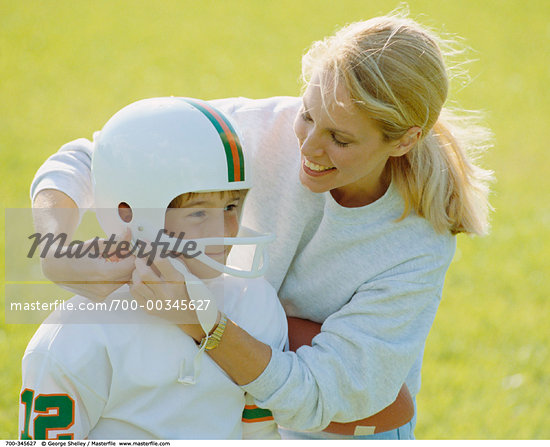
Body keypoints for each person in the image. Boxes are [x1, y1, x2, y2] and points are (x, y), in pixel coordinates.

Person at [29, 11, 493, 439]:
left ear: (404, 140)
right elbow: (98, 155)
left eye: (340, 139)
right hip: (228, 401)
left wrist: (204, 321)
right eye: (308, 114)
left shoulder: (416, 243)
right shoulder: (258, 130)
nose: (308, 146)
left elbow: (325, 395)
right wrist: (54, 251)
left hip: (335, 429)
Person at [19, 97, 288, 439]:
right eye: (198, 212)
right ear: (127, 212)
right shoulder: (76, 337)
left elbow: (259, 437)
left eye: (232, 205)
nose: (224, 230)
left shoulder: (256, 302)